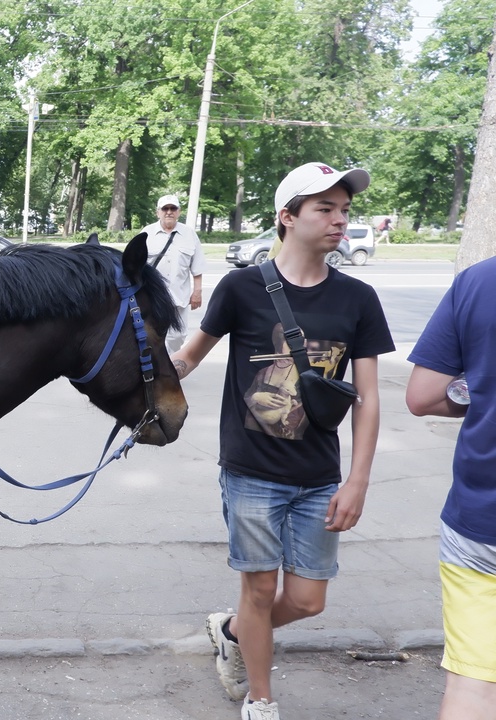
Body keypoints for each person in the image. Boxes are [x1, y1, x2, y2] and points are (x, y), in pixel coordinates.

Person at [170, 162, 395, 720]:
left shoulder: (358, 299)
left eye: (345, 210)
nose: (340, 220)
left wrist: (357, 482)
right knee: (256, 589)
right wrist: (132, 377)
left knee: (306, 599)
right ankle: (260, 696)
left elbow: (367, 398)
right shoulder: (242, 288)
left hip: (319, 477)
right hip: (250, 471)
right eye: (325, 208)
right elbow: (189, 357)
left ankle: (230, 631)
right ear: (287, 217)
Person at [405, 256, 496, 720]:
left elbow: (422, 395)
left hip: (479, 525)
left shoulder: (479, 281)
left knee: (473, 688)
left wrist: (476, 386)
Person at [139, 194, 206, 353]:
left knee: (178, 336)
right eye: (165, 208)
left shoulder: (189, 234)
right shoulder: (146, 233)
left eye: (173, 208)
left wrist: (197, 291)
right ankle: (160, 369)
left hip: (179, 297)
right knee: (151, 334)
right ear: (158, 212)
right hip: (152, 296)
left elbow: (197, 266)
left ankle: (167, 361)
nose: (169, 212)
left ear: (179, 212)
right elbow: (135, 264)